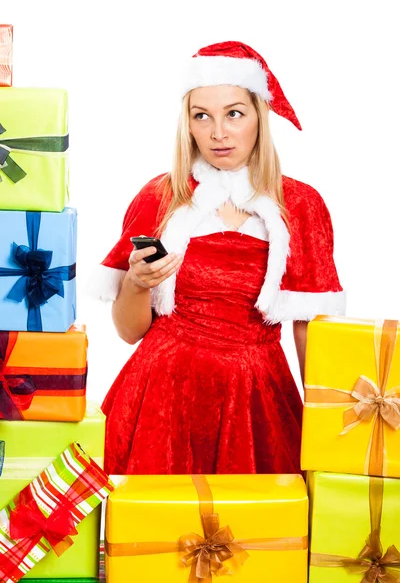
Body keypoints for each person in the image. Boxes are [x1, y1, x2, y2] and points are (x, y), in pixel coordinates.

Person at [89, 41, 346, 475]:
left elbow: (311, 334)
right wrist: (136, 283)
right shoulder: (161, 197)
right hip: (160, 393)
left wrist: (333, 433)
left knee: (261, 531)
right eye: (201, 116)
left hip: (255, 398)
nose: (218, 133)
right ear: (187, 125)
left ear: (259, 118)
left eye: (233, 114)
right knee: (152, 533)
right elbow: (131, 332)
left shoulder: (301, 205)